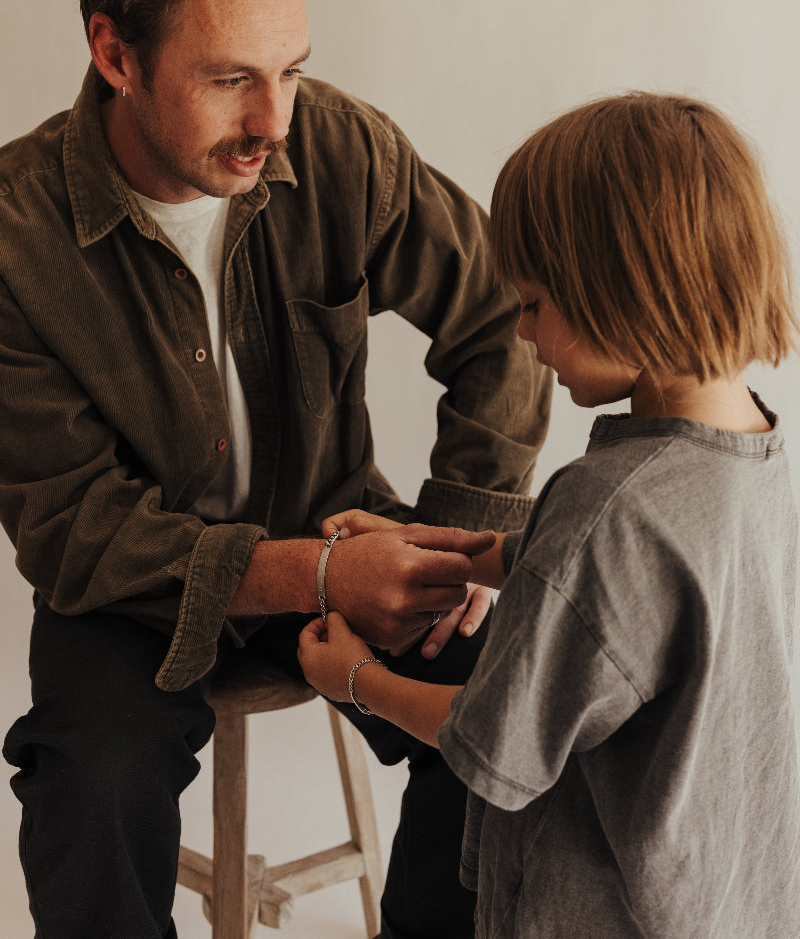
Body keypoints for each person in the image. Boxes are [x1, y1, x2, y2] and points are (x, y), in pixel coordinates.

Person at [0, 0, 552, 939]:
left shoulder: (336, 144)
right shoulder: (16, 240)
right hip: (133, 597)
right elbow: (75, 529)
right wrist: (317, 570)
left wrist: (463, 534)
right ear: (115, 53)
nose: (272, 120)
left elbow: (502, 315)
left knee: (520, 708)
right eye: (226, 79)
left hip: (335, 517)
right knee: (85, 790)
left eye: (290, 70)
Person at [299, 92, 800, 938]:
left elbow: (487, 743)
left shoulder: (607, 502)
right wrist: (443, 548)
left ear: (622, 288)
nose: (522, 334)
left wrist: (355, 679)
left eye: (533, 303)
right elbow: (609, 596)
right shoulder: (753, 452)